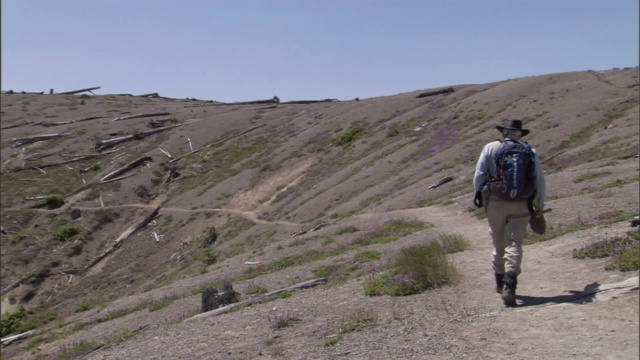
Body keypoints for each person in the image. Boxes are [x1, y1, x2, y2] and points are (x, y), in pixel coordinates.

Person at [473, 119, 546, 306]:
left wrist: (482, 199)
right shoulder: (529, 150)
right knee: (514, 243)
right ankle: (510, 284)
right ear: (520, 133)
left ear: (503, 132)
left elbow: (479, 175)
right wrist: (538, 205)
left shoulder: (490, 148)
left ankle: (499, 282)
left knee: (498, 241)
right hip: (522, 203)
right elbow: (539, 180)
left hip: (496, 202)